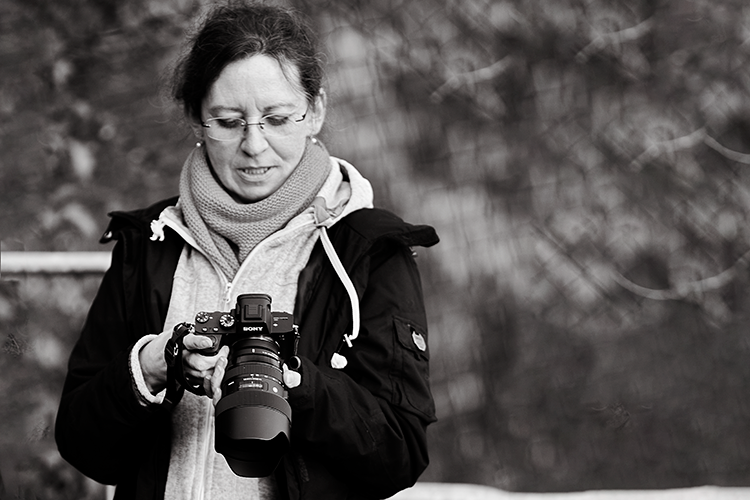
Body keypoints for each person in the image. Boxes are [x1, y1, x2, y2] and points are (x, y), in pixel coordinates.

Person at [54, 2, 439, 499]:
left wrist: (293, 380)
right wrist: (150, 366)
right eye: (229, 121)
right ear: (197, 119)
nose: (254, 146)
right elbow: (85, 446)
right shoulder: (151, 243)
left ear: (315, 111)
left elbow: (399, 455)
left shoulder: (367, 249)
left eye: (277, 119)